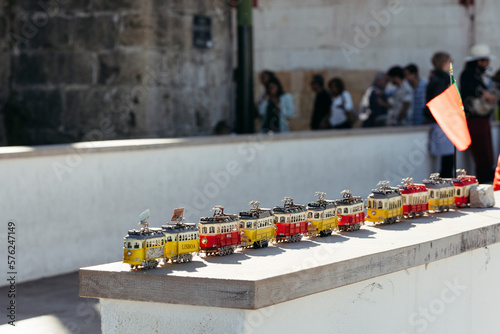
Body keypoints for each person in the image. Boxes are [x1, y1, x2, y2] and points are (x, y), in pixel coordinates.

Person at [460, 44, 498, 183]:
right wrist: (485, 94)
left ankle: (487, 180)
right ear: (479, 61)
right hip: (474, 119)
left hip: (482, 119)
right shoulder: (468, 74)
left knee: (488, 154)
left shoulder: (479, 75)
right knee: (482, 154)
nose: (487, 64)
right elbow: (471, 90)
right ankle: (483, 182)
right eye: (485, 61)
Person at [425, 52, 454, 178]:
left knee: (448, 159)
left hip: (441, 122)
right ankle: (445, 185)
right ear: (444, 63)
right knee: (448, 160)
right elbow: (439, 102)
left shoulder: (436, 78)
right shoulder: (441, 80)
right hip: (442, 122)